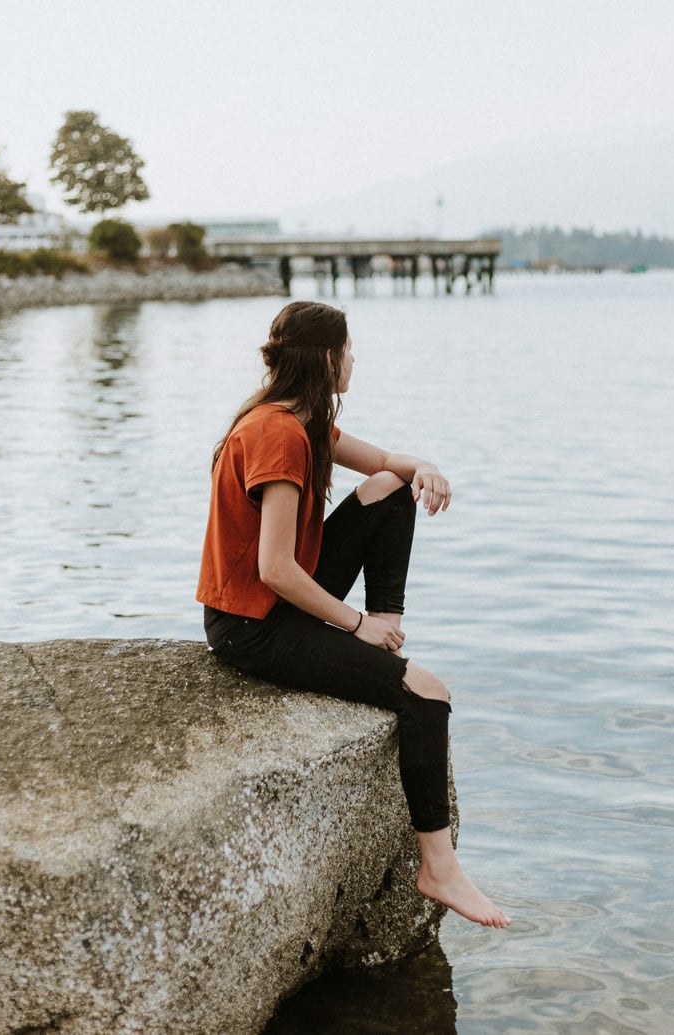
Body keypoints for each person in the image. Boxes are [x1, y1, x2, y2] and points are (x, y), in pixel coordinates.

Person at [197, 301, 510, 929]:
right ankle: (438, 869)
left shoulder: (303, 422)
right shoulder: (278, 435)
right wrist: (355, 625)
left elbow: (390, 466)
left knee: (394, 489)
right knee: (427, 693)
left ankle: (384, 635)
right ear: (327, 358)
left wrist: (427, 467)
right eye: (349, 349)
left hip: (285, 599)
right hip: (255, 623)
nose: (354, 360)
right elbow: (275, 570)